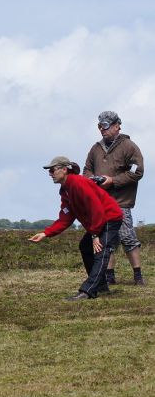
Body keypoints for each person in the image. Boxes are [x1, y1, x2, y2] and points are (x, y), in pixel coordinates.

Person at [29, 156, 124, 301]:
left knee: (101, 251)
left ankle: (87, 291)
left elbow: (96, 208)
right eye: (49, 171)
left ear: (64, 169)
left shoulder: (78, 183)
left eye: (52, 170)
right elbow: (65, 218)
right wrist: (45, 233)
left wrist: (95, 234)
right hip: (99, 221)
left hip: (109, 218)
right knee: (85, 247)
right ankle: (101, 287)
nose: (50, 174)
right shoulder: (65, 190)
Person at [83, 111, 145, 286]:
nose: (102, 129)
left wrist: (113, 181)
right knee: (105, 240)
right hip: (100, 202)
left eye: (106, 125)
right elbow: (86, 169)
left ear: (117, 126)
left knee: (127, 237)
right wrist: (91, 180)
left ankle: (138, 275)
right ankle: (109, 276)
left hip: (121, 202)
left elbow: (137, 171)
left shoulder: (129, 146)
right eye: (100, 126)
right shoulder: (95, 148)